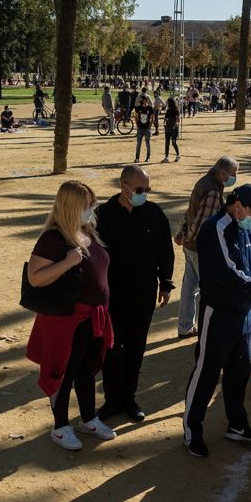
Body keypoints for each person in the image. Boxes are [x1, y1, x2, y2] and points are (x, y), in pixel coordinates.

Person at [183, 184, 251, 457]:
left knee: (239, 371)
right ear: (238, 204)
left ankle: (237, 424)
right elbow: (227, 273)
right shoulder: (215, 228)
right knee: (206, 371)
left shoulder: (245, 227)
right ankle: (192, 427)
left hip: (244, 312)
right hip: (218, 313)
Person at [25, 181, 117, 451]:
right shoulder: (53, 238)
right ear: (72, 207)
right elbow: (34, 277)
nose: (92, 210)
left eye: (92, 204)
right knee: (64, 372)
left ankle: (88, 418)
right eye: (88, 205)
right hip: (68, 320)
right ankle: (60, 427)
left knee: (86, 371)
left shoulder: (87, 230)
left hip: (94, 317)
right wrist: (67, 262)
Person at [95, 165, 175, 423]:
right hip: (111, 296)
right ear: (124, 187)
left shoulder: (154, 214)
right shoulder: (102, 215)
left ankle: (128, 397)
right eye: (140, 189)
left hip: (142, 295)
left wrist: (165, 282)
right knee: (110, 348)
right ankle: (111, 399)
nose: (145, 194)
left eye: (148, 189)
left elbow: (166, 250)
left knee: (135, 347)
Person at [174, 157, 238, 338]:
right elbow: (202, 225)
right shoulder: (213, 191)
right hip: (198, 248)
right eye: (233, 174)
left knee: (189, 287)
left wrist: (182, 234)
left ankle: (184, 326)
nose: (234, 178)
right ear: (223, 173)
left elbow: (190, 212)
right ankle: (204, 327)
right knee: (206, 289)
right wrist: (187, 238)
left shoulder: (205, 182)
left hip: (191, 246)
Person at [133, 95, 153, 163]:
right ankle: (137, 158)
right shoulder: (138, 108)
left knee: (147, 143)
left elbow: (152, 118)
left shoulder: (150, 108)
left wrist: (150, 126)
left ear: (145, 100)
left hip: (147, 129)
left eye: (141, 100)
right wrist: (137, 126)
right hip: (140, 129)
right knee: (138, 144)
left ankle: (148, 157)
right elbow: (136, 117)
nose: (140, 101)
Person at [162, 95, 181, 162]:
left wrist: (170, 121)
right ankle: (167, 157)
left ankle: (177, 155)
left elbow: (178, 120)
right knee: (169, 142)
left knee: (172, 142)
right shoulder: (169, 111)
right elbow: (166, 119)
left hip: (173, 128)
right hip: (170, 128)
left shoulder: (175, 111)